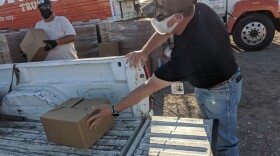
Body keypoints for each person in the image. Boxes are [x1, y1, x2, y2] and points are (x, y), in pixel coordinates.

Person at [87, 0, 242, 155]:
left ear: (177, 18)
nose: (154, 21)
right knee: (209, 129)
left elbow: (148, 87)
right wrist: (144, 51)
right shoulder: (197, 8)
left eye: (158, 17)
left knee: (225, 143)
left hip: (222, 89)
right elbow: (165, 31)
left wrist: (114, 109)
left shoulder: (188, 53)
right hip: (204, 84)